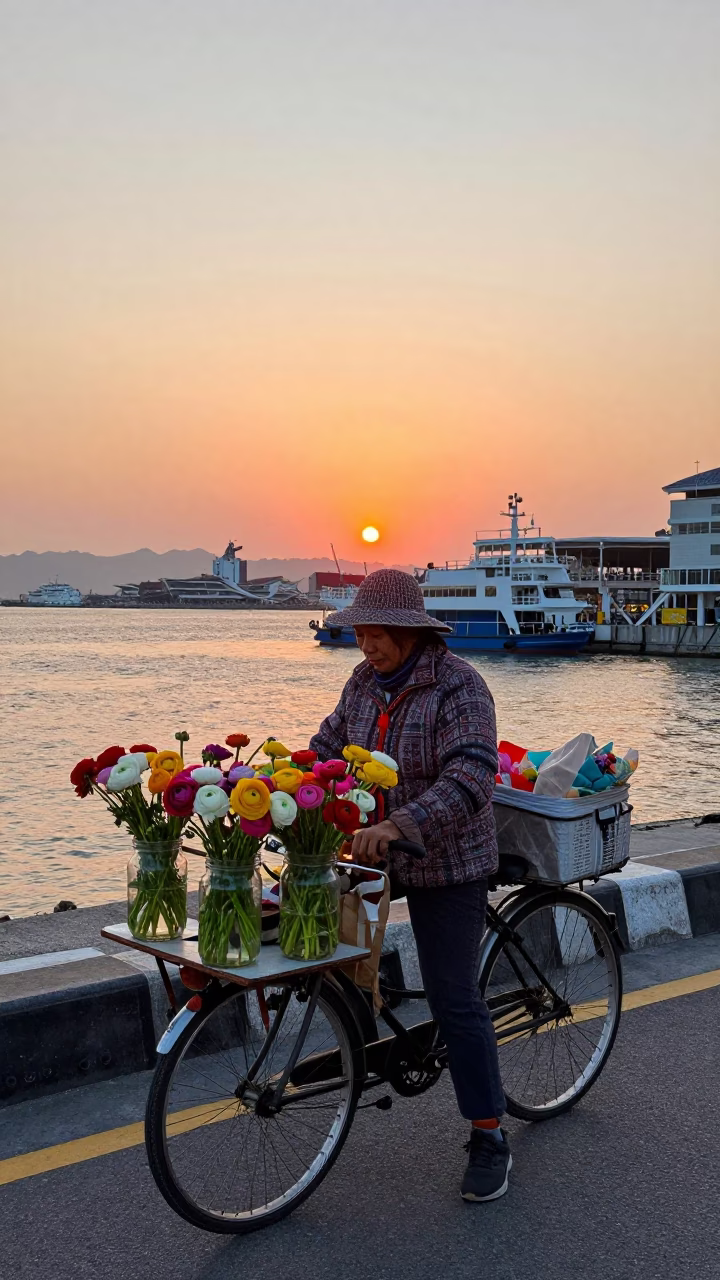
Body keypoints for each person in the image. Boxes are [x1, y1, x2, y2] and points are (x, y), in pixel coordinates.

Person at [310, 568, 510, 1202]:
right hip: (372, 850)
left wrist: (403, 823)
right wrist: (288, 787)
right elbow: (326, 747)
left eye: (376, 634)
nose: (366, 645)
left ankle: (488, 1134)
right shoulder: (363, 683)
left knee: (454, 997)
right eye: (359, 633)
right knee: (324, 948)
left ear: (408, 632)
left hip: (448, 857)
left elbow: (473, 774)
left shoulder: (460, 687)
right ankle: (364, 1047)